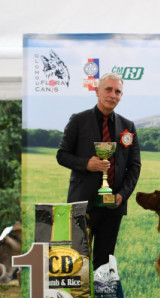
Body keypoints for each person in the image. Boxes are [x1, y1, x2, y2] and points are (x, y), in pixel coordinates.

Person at [57, 72, 141, 270]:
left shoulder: (128, 126)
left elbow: (134, 166)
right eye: (108, 89)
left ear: (121, 96)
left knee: (104, 263)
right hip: (82, 202)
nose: (113, 95)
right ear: (97, 91)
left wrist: (122, 196)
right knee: (77, 260)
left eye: (118, 91)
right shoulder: (78, 120)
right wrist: (87, 164)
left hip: (113, 207)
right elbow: (62, 155)